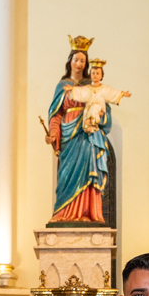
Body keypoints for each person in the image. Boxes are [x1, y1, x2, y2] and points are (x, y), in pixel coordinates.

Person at [45, 39, 113, 224]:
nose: (79, 64)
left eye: (83, 60)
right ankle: (63, 213)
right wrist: (53, 133)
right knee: (66, 175)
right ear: (70, 61)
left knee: (88, 171)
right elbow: (56, 114)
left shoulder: (92, 86)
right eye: (76, 59)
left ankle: (89, 213)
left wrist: (101, 115)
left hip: (87, 135)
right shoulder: (62, 86)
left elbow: (104, 112)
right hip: (68, 137)